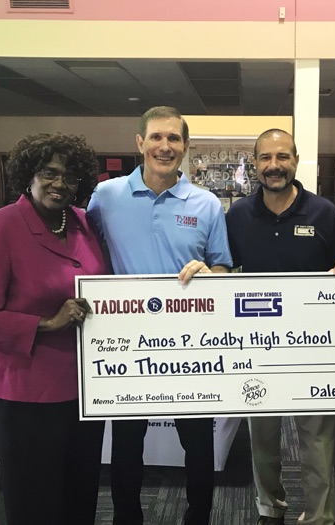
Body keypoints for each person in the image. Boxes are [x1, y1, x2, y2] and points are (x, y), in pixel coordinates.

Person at [87, 106, 232, 525]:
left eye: (173, 138)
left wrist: (211, 271)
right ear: (140, 143)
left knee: (198, 442)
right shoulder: (106, 196)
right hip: (126, 342)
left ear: (186, 147)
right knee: (128, 443)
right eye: (156, 137)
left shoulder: (205, 204)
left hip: (191, 342)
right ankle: (127, 518)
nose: (164, 146)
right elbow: (87, 257)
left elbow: (222, 266)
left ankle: (198, 517)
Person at [0, 133, 108, 525]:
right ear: (28, 175)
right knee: (34, 502)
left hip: (84, 389)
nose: (60, 183)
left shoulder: (83, 223)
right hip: (25, 389)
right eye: (49, 173)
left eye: (70, 176)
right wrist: (46, 323)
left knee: (80, 494)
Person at [225, 128, 335, 525]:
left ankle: (320, 516)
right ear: (254, 165)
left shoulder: (324, 212)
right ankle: (271, 507)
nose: (274, 166)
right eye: (265, 158)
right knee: (263, 442)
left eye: (282, 157)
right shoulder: (237, 215)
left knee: (317, 444)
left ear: (296, 161)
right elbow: (223, 268)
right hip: (258, 347)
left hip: (314, 349)